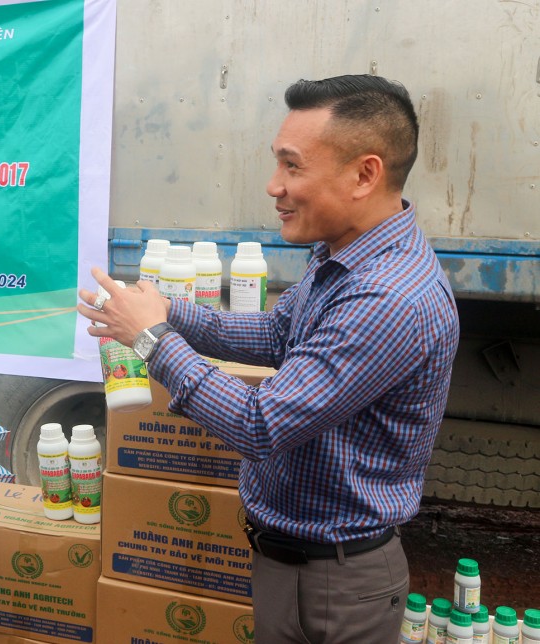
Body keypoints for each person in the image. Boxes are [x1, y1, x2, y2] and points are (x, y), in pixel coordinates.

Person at [79, 75, 459, 643]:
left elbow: (261, 423)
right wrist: (165, 311)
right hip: (301, 567)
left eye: (292, 166)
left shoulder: (388, 295)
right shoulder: (340, 257)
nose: (273, 186)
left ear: (365, 174)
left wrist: (153, 340)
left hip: (334, 581)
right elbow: (277, 333)